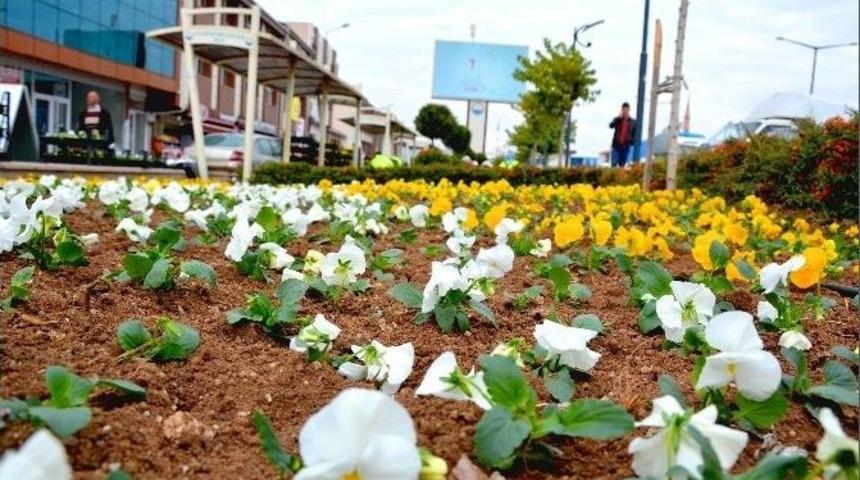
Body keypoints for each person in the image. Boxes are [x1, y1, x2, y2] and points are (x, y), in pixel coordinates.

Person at [609, 102, 636, 168]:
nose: (625, 111)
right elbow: (611, 125)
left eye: (626, 110)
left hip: (625, 146)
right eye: (623, 110)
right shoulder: (617, 119)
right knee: (614, 164)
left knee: (622, 165)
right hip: (616, 145)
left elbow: (634, 134)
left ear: (629, 110)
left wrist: (631, 141)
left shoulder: (633, 122)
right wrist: (619, 118)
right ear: (621, 110)